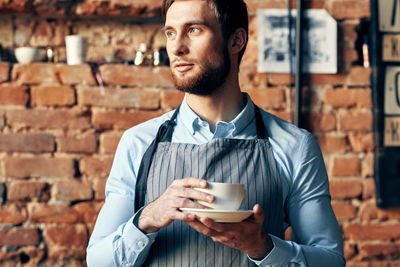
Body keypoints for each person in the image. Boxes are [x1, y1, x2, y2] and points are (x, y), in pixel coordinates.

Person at [86, 0, 345, 266]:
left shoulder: (294, 146)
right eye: (171, 33)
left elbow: (331, 259)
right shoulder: (138, 143)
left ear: (236, 41)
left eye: (194, 30)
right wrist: (146, 219)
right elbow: (98, 261)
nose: (176, 47)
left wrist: (263, 247)